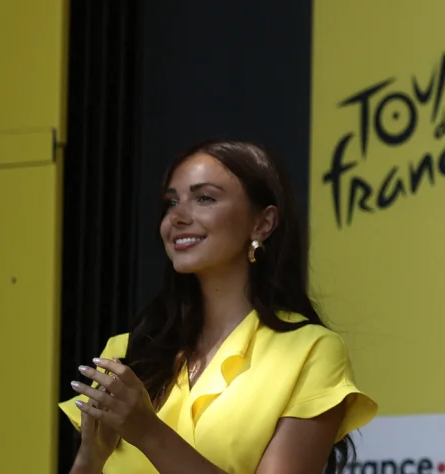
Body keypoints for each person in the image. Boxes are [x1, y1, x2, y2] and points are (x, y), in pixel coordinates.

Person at [59, 139, 377, 474]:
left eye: (204, 198)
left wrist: (148, 431)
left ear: (262, 224)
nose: (177, 217)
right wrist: (90, 458)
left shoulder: (311, 351)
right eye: (170, 203)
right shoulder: (127, 351)